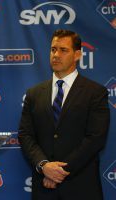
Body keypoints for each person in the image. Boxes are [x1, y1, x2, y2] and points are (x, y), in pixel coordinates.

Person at [18, 29, 110, 200]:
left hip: (81, 188)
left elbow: (95, 138)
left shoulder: (95, 93)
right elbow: (26, 135)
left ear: (77, 55)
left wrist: (58, 172)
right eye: (53, 49)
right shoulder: (34, 94)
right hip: (43, 190)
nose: (56, 55)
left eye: (63, 50)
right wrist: (44, 166)